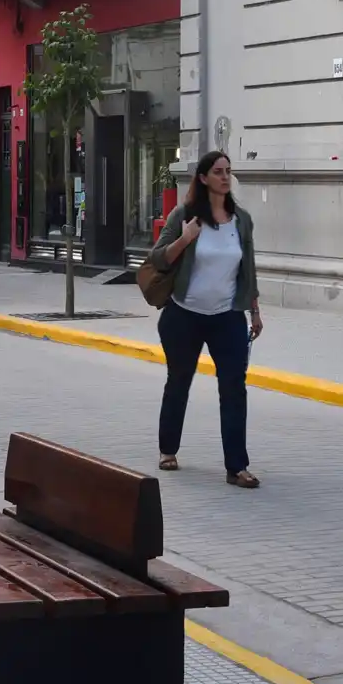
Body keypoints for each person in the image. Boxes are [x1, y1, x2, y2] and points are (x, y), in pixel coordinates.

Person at [147, 150, 263, 487]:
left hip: (227, 315)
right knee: (179, 381)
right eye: (218, 171)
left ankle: (236, 467)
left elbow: (248, 270)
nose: (225, 177)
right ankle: (168, 449)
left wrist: (254, 310)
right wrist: (185, 238)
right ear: (203, 178)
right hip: (184, 314)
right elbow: (158, 258)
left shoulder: (241, 220)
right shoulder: (184, 215)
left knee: (233, 389)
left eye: (228, 171)